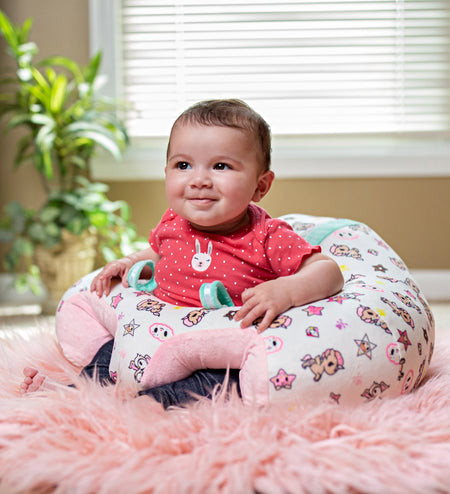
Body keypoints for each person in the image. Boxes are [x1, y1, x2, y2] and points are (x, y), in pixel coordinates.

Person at [21, 99, 344, 406]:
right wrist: (130, 263)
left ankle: (158, 404)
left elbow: (327, 271)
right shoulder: (174, 222)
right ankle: (77, 392)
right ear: (167, 172)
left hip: (215, 345)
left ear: (261, 185)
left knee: (221, 380)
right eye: (183, 165)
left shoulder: (266, 235)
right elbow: (158, 252)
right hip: (159, 331)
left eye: (220, 166)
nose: (199, 180)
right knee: (113, 353)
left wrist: (286, 290)